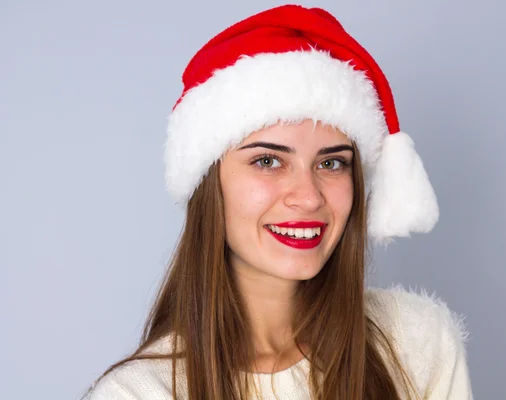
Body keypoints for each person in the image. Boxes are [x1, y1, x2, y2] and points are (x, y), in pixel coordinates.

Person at [84, 4, 473, 400]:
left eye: (332, 162)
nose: (307, 196)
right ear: (208, 185)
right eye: (267, 161)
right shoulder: (139, 393)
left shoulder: (417, 344)